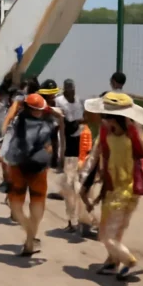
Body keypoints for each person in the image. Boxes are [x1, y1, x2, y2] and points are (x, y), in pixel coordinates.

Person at [82, 92, 143, 280]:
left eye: (105, 115)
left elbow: (142, 160)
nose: (103, 118)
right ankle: (112, 262)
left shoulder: (126, 136)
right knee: (116, 231)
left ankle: (128, 261)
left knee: (105, 235)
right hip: (123, 190)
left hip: (122, 191)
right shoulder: (126, 134)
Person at [4, 93, 55, 256]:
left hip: (22, 167)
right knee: (34, 204)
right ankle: (31, 237)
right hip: (34, 169)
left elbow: (6, 134)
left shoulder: (18, 121)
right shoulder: (48, 123)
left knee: (19, 206)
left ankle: (29, 239)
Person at [55, 79, 91, 234]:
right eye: (70, 89)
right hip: (68, 147)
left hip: (80, 147)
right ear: (65, 90)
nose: (72, 91)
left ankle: (82, 221)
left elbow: (82, 121)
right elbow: (62, 126)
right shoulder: (59, 101)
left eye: (73, 89)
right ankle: (73, 221)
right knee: (69, 187)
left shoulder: (78, 102)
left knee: (79, 187)